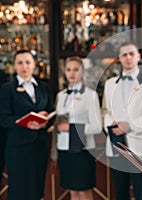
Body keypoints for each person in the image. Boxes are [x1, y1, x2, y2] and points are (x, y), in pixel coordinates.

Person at [102, 42, 142, 200]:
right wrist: (112, 124)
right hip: (116, 144)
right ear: (119, 58)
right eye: (124, 55)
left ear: (138, 56)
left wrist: (129, 126)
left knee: (141, 193)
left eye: (132, 53)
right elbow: (104, 110)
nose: (128, 57)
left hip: (140, 145)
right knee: (120, 192)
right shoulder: (110, 84)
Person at [0, 49, 54, 200]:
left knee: (37, 190)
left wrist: (45, 121)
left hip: (40, 146)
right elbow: (3, 119)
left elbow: (51, 111)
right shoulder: (7, 89)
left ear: (34, 65)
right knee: (18, 191)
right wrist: (25, 121)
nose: (24, 66)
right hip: (18, 148)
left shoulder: (43, 87)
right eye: (20, 62)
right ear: (14, 66)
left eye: (28, 62)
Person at [51, 56, 102, 200]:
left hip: (82, 150)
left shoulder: (90, 95)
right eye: (68, 70)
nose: (72, 73)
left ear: (83, 72)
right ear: (64, 72)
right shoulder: (60, 96)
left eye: (76, 70)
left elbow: (97, 127)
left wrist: (70, 127)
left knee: (84, 190)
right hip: (64, 149)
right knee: (72, 190)